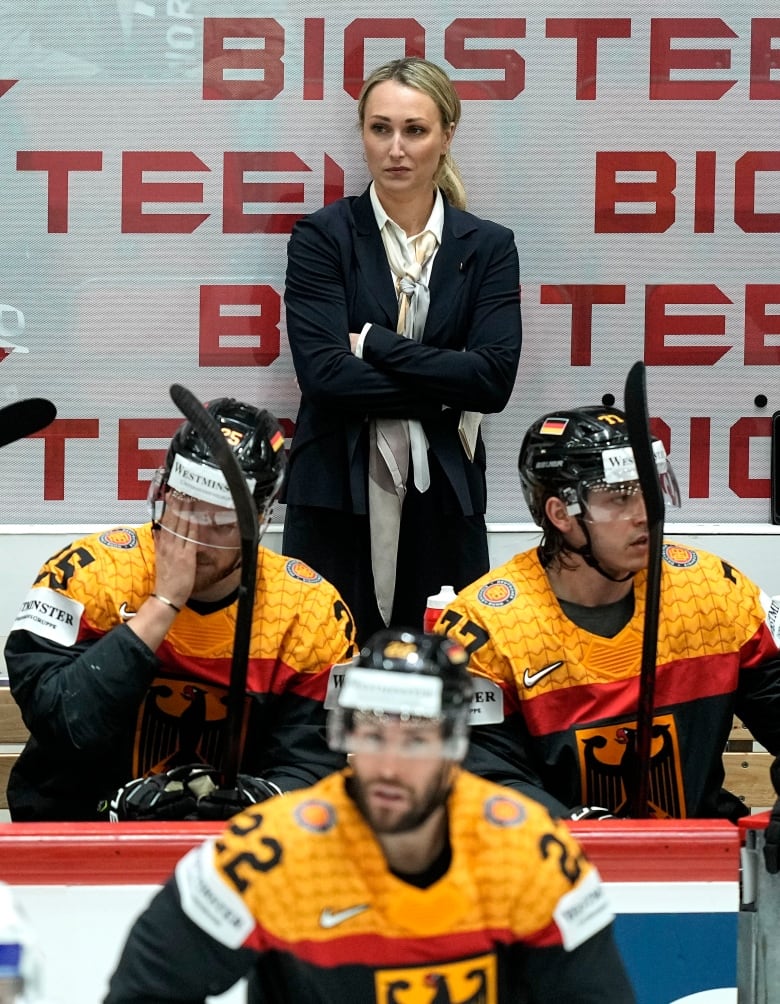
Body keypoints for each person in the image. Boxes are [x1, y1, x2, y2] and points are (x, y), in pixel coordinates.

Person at [103, 627, 636, 1003]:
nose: (388, 766)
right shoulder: (266, 853)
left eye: (416, 741)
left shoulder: (531, 851)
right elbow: (145, 991)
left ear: (454, 748)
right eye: (373, 736)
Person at [3, 397, 357, 821]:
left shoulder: (311, 613)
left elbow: (315, 765)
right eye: (184, 505)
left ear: (259, 518)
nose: (193, 536)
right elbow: (62, 723)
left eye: (220, 520)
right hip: (79, 830)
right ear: (164, 490)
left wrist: (250, 801)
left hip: (234, 847)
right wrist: (163, 603)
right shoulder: (87, 573)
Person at [434, 404, 780, 821]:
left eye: (649, 489)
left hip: (703, 854)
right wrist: (581, 829)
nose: (645, 514)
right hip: (552, 859)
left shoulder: (715, 589)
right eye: (619, 498)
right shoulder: (484, 625)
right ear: (560, 514)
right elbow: (483, 772)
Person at [282, 56, 522, 644]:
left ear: (446, 136)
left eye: (414, 130)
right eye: (380, 128)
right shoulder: (322, 237)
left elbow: (492, 381)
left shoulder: (488, 246)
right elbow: (326, 378)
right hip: (335, 489)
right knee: (325, 677)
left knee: (447, 683)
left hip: (445, 490)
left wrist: (378, 345)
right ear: (362, 133)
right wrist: (445, 386)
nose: (396, 148)